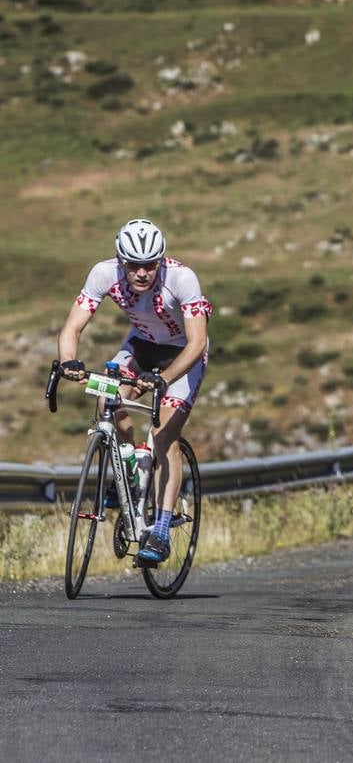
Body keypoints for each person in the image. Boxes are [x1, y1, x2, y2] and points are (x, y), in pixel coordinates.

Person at [56, 219, 212, 564]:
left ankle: (159, 530)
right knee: (106, 398)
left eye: (150, 265)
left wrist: (164, 377)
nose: (142, 273)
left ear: (161, 259)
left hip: (183, 355)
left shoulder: (182, 278)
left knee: (162, 434)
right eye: (133, 265)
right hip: (141, 346)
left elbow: (197, 340)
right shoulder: (103, 273)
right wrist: (68, 361)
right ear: (120, 259)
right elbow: (72, 326)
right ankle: (127, 469)